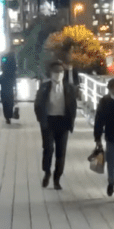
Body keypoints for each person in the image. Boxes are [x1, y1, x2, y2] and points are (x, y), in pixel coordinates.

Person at [34, 60, 78, 190]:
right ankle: (47, 172)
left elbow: (73, 106)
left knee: (61, 152)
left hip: (63, 122)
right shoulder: (44, 86)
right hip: (48, 122)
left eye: (61, 72)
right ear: (51, 73)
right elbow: (38, 104)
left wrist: (71, 122)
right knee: (48, 149)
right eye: (56, 72)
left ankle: (57, 178)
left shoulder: (69, 87)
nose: (58, 74)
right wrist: (41, 120)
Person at [0, 53, 18, 124]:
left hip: (3, 91)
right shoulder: (12, 75)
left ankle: (7, 117)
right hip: (10, 91)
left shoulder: (2, 75)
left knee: (5, 105)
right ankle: (9, 115)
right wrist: (16, 90)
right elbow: (14, 83)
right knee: (10, 103)